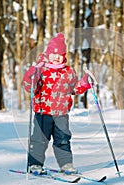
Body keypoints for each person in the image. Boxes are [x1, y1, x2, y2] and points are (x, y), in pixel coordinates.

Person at [22, 33, 92, 174]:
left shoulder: (68, 72)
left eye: (60, 54)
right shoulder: (41, 70)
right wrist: (30, 77)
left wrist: (84, 83)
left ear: (64, 55)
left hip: (61, 114)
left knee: (63, 140)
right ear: (48, 54)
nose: (56, 57)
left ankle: (66, 164)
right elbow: (30, 88)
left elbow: (74, 89)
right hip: (43, 113)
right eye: (53, 54)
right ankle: (35, 164)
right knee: (39, 140)